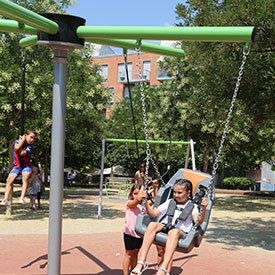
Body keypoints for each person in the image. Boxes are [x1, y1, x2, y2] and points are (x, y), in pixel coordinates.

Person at [130, 179, 208, 275]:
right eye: (174, 192)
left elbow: (198, 222)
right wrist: (145, 201)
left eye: (179, 193)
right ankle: (141, 263)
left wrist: (203, 209)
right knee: (152, 225)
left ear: (188, 193)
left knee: (173, 232)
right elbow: (153, 213)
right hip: (167, 226)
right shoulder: (171, 202)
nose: (176, 195)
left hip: (181, 231)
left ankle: (164, 268)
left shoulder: (193, 206)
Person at [0, 129, 37, 206]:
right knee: (9, 180)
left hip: (25, 166)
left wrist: (22, 141)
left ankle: (22, 198)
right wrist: (22, 141)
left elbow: (22, 153)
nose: (32, 140)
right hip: (17, 166)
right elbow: (16, 147)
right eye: (31, 137)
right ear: (25, 135)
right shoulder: (17, 142)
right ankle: (6, 199)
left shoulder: (30, 147)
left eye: (34, 139)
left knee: (25, 177)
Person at [123, 183, 147, 275]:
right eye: (135, 193)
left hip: (139, 233)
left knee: (136, 253)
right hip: (129, 233)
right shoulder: (130, 203)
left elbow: (156, 200)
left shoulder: (144, 205)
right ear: (131, 194)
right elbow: (137, 200)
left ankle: (134, 272)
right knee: (129, 254)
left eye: (138, 193)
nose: (137, 195)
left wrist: (155, 187)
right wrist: (143, 188)